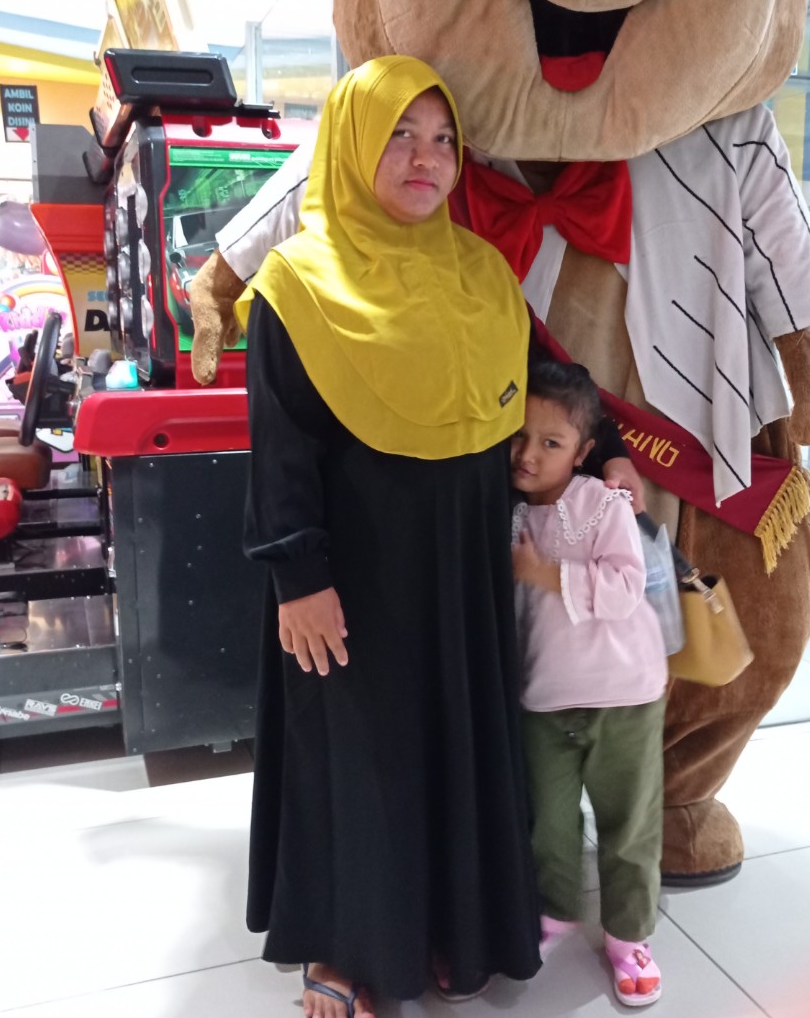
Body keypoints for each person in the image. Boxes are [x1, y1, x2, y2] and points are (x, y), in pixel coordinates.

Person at [242, 55, 549, 1018]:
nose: (427, 160)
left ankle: (452, 925)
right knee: (358, 754)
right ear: (350, 146)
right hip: (354, 573)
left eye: (443, 139)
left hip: (462, 567)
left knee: (456, 740)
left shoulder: (483, 273)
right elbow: (279, 445)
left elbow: (545, 383)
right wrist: (297, 576)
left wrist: (613, 453)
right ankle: (345, 945)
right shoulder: (299, 282)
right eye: (401, 137)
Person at [510, 360, 669, 1008]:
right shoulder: (507, 514)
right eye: (519, 436)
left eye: (551, 442)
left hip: (623, 695)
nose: (529, 454)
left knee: (628, 824)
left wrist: (547, 576)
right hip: (546, 699)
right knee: (548, 822)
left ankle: (630, 936)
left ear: (582, 451)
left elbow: (627, 587)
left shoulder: (603, 504)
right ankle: (555, 911)